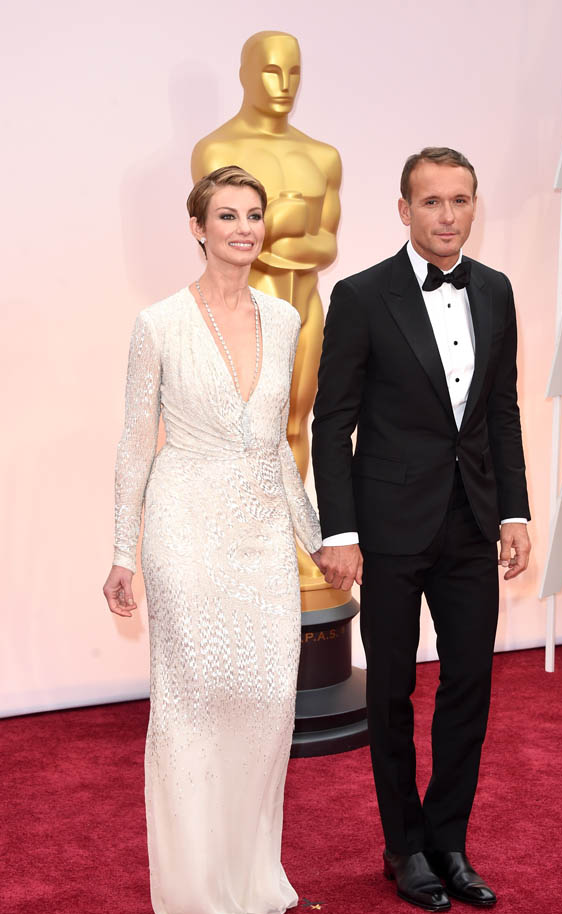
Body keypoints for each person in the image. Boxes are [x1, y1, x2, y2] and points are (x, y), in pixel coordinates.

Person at [102, 166, 322, 914]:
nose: (243, 228)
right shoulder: (158, 323)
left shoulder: (285, 319)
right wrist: (123, 551)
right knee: (193, 702)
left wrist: (317, 539)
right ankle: (195, 886)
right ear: (198, 227)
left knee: (266, 702)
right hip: (185, 528)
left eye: (253, 215)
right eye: (227, 215)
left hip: (261, 535)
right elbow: (136, 443)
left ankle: (249, 873)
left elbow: (280, 445)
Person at [312, 147, 531, 912]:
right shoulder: (362, 295)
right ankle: (404, 847)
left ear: (474, 207)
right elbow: (332, 422)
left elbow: (501, 410)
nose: (447, 216)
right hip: (390, 527)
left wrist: (513, 511)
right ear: (404, 210)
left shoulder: (496, 290)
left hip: (471, 522)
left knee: (470, 684)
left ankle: (448, 842)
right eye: (432, 201)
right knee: (393, 690)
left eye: (460, 200)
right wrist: (340, 531)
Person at [191, 31, 341, 592]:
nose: (283, 85)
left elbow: (325, 245)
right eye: (272, 71)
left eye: (293, 72)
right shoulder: (215, 150)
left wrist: (269, 235)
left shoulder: (322, 156)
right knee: (245, 432)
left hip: (304, 303)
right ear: (246, 73)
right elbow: (222, 238)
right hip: (243, 306)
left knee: (296, 424)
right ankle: (241, 543)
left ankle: (288, 542)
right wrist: (281, 223)